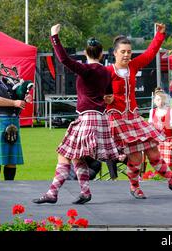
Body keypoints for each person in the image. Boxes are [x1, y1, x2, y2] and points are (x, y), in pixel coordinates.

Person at [32, 24, 118, 205]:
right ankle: (83, 192)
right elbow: (109, 96)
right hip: (98, 118)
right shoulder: (105, 71)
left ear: (86, 54)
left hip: (87, 118)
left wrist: (54, 36)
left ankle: (52, 193)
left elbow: (63, 59)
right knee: (76, 157)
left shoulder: (86, 69)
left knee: (64, 154)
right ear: (101, 54)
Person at [105, 23, 172, 200]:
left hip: (134, 118)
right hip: (117, 120)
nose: (127, 55)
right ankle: (134, 187)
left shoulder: (133, 66)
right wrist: (105, 98)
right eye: (123, 52)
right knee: (136, 157)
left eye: (129, 51)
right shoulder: (108, 72)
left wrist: (160, 35)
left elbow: (150, 53)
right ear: (115, 53)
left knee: (153, 150)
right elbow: (93, 90)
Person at [0, 57, 29, 180]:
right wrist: (14, 103)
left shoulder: (8, 82)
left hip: (13, 121)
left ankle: (10, 186)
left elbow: (18, 95)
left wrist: (25, 96)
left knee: (11, 159)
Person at [148, 88, 172, 172]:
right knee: (158, 165)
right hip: (156, 142)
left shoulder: (171, 111)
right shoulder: (153, 111)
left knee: (169, 165)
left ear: (164, 100)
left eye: (160, 99)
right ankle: (159, 181)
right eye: (156, 99)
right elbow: (151, 127)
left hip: (168, 140)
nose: (158, 101)